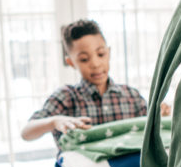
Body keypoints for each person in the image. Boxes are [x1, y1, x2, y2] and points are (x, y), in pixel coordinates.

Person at [21, 19, 168, 145]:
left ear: (108, 53)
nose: (96, 64)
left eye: (101, 54)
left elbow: (152, 127)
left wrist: (162, 113)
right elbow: (26, 133)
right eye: (84, 59)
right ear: (71, 62)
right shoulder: (66, 97)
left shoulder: (130, 96)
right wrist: (54, 122)